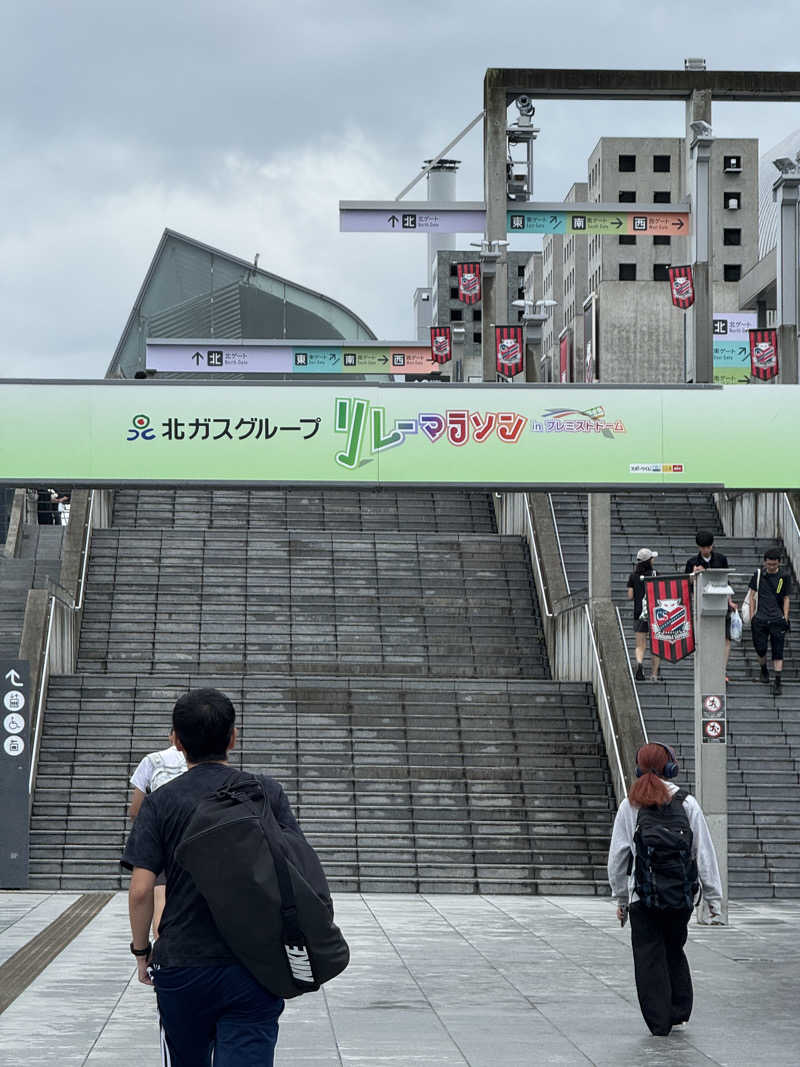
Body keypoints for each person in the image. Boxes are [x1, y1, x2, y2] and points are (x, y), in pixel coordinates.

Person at [122, 688, 299, 1066]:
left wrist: (142, 952)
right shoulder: (265, 792)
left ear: (176, 741)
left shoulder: (161, 802)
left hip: (183, 963)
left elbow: (140, 891)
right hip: (257, 962)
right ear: (233, 737)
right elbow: (298, 867)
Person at [607, 742, 722, 1037]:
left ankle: (658, 1023)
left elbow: (619, 857)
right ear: (671, 767)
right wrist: (713, 898)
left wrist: (621, 896)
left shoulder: (630, 805)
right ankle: (679, 1011)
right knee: (674, 948)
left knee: (648, 957)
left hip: (642, 898)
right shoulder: (687, 803)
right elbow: (703, 853)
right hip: (681, 897)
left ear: (638, 768)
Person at [128, 732, 187, 937]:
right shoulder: (204, 766)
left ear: (174, 736)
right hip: (197, 840)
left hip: (162, 836)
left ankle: (161, 951)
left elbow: (136, 809)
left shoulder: (152, 760)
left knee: (161, 895)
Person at [684, 530, 737, 680]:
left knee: (726, 638)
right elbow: (688, 585)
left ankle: (722, 670)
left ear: (712, 546)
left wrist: (730, 601)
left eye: (708, 547)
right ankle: (705, 668)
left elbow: (726, 580)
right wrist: (694, 575)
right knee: (704, 637)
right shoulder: (692, 562)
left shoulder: (721, 559)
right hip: (701, 603)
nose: (705, 550)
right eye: (702, 548)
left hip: (720, 601)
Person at [743, 547, 791, 695]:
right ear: (765, 562)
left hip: (777, 619)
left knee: (778, 651)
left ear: (779, 564)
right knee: (760, 648)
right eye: (769, 564)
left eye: (774, 565)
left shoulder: (784, 577)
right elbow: (752, 595)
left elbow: (785, 597)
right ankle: (763, 670)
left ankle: (777, 681)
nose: (771, 567)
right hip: (760, 619)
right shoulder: (758, 575)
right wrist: (752, 616)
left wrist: (785, 617)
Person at [627, 548, 661, 681]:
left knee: (640, 645)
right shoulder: (656, 574)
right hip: (655, 613)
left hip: (639, 612)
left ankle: (640, 663)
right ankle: (654, 674)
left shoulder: (633, 576)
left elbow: (630, 596)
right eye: (652, 558)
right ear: (649, 561)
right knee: (656, 646)